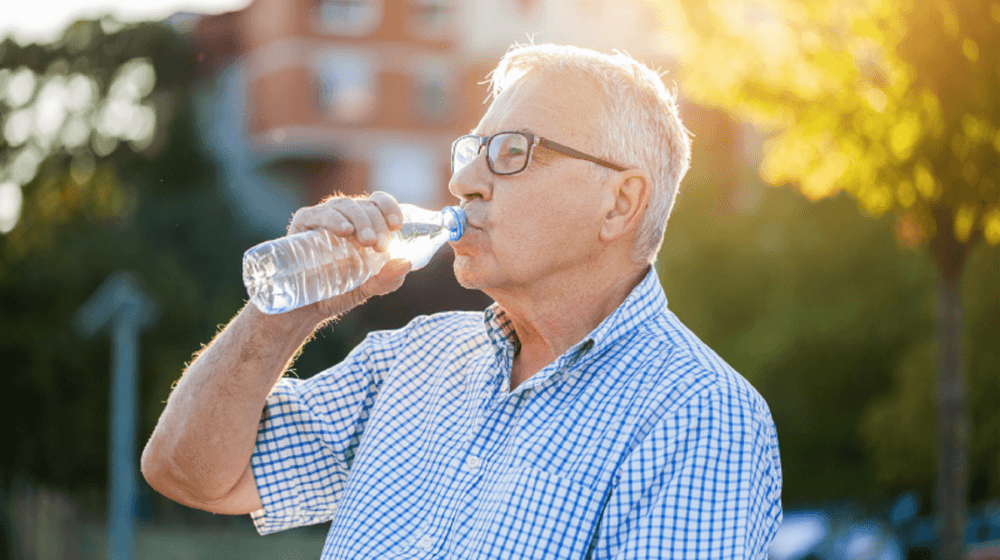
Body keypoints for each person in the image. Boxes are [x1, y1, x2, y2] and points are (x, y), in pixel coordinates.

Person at [142, 43, 783, 559]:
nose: (461, 181)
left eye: (511, 153)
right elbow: (188, 472)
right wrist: (287, 314)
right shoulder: (415, 360)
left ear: (619, 203)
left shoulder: (699, 415)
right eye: (471, 151)